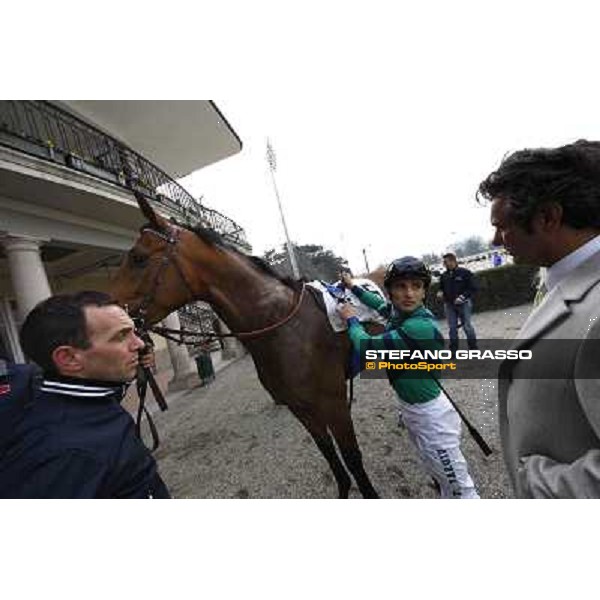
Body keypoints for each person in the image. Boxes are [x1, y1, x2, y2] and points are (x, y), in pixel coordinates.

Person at [478, 139, 600, 498]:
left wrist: (536, 484)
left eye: (502, 226)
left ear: (548, 217)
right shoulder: (561, 281)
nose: (496, 240)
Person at [0, 291, 171, 499]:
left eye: (134, 332)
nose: (140, 345)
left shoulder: (90, 403)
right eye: (121, 336)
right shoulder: (68, 454)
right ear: (69, 359)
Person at [338, 257, 479, 498]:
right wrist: (352, 286)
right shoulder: (399, 313)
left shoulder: (419, 326)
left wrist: (351, 319)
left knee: (461, 491)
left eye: (416, 286)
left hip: (431, 418)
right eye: (401, 287)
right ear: (390, 292)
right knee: (439, 476)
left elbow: (367, 347)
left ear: (425, 291)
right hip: (412, 409)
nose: (409, 293)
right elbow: (377, 304)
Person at [437, 252, 478, 353]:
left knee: (467, 326)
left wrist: (463, 297)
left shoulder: (465, 272)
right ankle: (453, 350)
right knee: (452, 328)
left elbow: (473, 288)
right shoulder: (444, 276)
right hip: (449, 305)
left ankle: (473, 348)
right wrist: (440, 292)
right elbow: (441, 288)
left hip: (464, 303)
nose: (445, 264)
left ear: (453, 261)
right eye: (444, 263)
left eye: (446, 262)